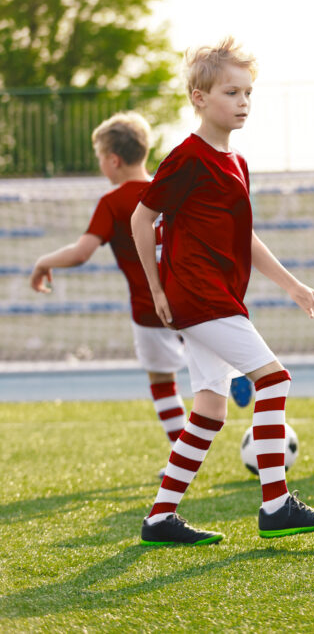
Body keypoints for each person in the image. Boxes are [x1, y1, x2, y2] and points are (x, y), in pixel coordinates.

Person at [132, 37, 314, 546]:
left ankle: (160, 518)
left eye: (248, 92)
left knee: (209, 410)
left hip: (217, 296)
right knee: (274, 381)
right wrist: (157, 288)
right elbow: (143, 218)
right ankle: (276, 504)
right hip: (199, 295)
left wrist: (291, 285)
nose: (243, 102)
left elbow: (241, 237)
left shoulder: (237, 162)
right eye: (231, 92)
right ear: (200, 98)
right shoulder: (186, 158)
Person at [29, 112, 190, 456]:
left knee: (162, 381)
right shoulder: (168, 189)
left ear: (113, 160)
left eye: (100, 158)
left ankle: (183, 456)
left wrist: (43, 262)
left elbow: (81, 253)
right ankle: (234, 373)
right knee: (210, 369)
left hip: (150, 311)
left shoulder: (113, 202)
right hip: (191, 299)